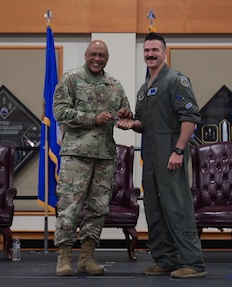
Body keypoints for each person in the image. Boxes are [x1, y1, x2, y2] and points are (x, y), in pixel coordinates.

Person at [117, 32, 207, 278]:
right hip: (150, 155)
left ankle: (193, 262)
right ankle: (166, 260)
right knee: (155, 208)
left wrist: (178, 150)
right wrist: (130, 123)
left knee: (177, 206)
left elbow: (190, 118)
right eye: (146, 50)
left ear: (164, 53)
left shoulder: (176, 80)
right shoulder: (145, 89)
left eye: (155, 50)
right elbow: (143, 123)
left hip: (171, 151)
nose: (150, 54)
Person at [53, 39, 133, 276]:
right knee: (70, 207)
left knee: (98, 209)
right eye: (93, 54)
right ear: (86, 55)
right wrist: (92, 118)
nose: (97, 59)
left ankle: (87, 258)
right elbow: (59, 111)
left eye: (102, 56)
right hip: (76, 155)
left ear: (107, 58)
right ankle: (64, 258)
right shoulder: (71, 79)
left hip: (104, 156)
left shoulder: (114, 84)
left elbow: (125, 113)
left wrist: (125, 115)